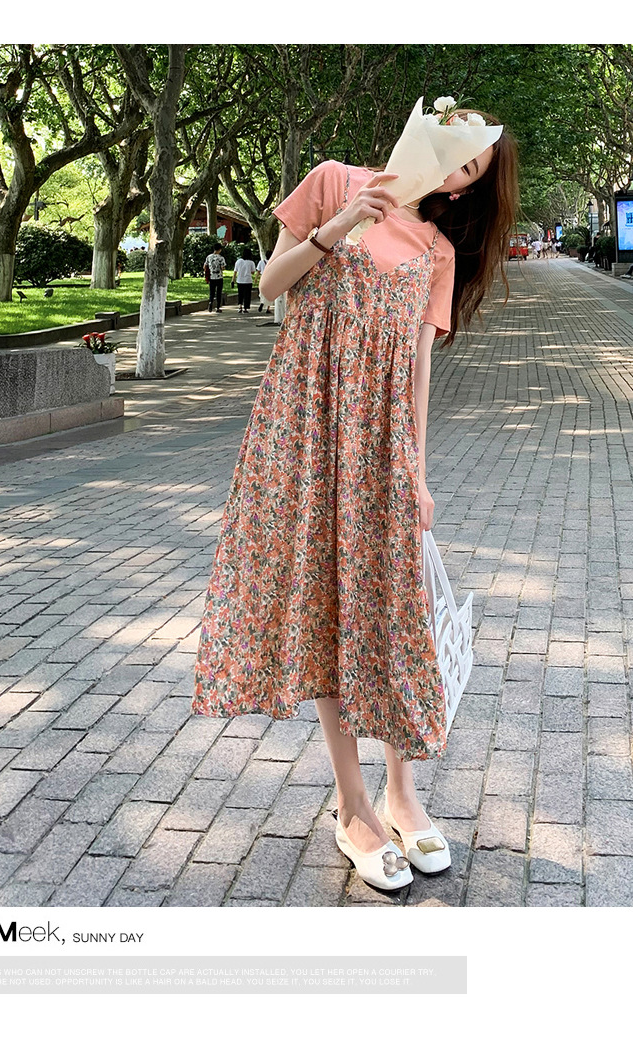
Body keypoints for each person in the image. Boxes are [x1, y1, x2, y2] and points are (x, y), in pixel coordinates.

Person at [191, 109, 518, 892]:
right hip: (304, 425)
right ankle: (353, 807)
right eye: (457, 151)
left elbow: (418, 370)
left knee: (391, 613)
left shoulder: (437, 250)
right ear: (430, 131)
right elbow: (271, 285)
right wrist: (337, 226)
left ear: (463, 190)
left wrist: (418, 473)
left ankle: (403, 794)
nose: (453, 171)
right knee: (326, 608)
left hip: (381, 446)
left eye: (469, 172)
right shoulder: (334, 182)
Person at [232, 246, 257, 312]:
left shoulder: (238, 261)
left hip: (240, 280)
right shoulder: (251, 262)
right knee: (247, 294)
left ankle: (240, 306)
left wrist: (233, 280)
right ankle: (245, 307)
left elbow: (235, 271)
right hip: (248, 280)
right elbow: (253, 272)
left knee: (240, 293)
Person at [204, 243, 226, 312]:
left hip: (211, 277)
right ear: (220, 250)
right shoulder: (221, 258)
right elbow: (222, 267)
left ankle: (210, 302)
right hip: (219, 277)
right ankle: (218, 307)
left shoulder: (209, 257)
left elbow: (205, 266)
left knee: (212, 292)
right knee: (219, 292)